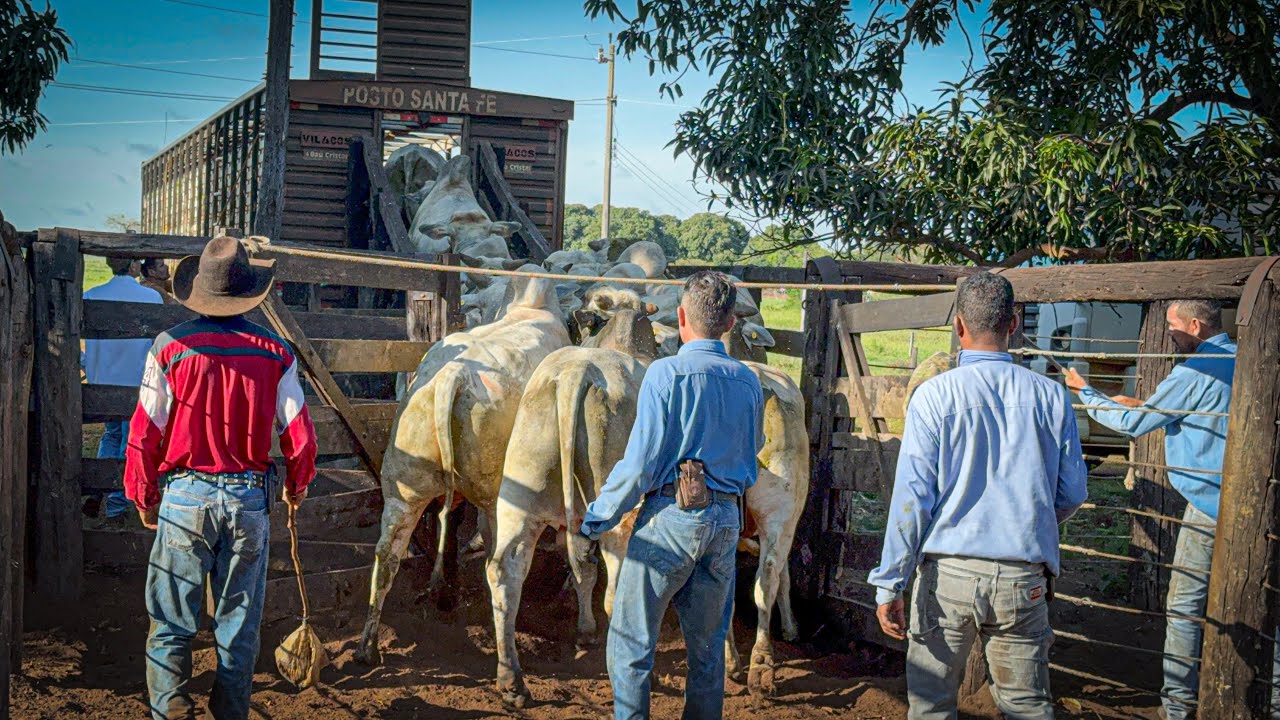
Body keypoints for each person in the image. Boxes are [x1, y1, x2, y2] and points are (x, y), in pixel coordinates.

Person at [869, 272, 1089, 720]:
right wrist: (1028, 522)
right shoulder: (1051, 397)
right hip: (1023, 579)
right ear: (1013, 324)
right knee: (1028, 707)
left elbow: (913, 500)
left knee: (931, 706)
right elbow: (1073, 492)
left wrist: (890, 581)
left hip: (948, 579)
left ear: (958, 326)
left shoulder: (933, 397)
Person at [124, 236, 318, 720]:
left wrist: (143, 495)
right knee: (238, 624)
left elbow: (145, 430)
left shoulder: (170, 347)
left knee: (171, 620)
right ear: (249, 292)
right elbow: (298, 432)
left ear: (198, 291)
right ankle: (231, 711)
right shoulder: (276, 352)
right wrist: (297, 484)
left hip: (185, 496)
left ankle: (172, 710)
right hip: (248, 499)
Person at [1063, 300, 1268, 719]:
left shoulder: (1195, 370)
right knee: (1265, 599)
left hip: (1210, 503)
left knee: (1186, 603)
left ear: (1194, 325)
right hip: (1257, 502)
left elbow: (1132, 426)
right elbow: (1207, 414)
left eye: (1172, 326)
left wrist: (1086, 392)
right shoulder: (1245, 358)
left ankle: (1178, 705)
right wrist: (1144, 404)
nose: (1169, 335)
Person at [579, 270, 763, 720]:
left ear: (681, 317)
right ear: (731, 323)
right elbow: (754, 446)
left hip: (672, 517)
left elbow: (640, 464)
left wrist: (598, 517)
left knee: (631, 643)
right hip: (725, 520)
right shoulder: (748, 380)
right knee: (708, 651)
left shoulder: (665, 373)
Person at [83, 256, 163, 520]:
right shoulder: (151, 298)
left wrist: (85, 362)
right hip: (135, 381)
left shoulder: (92, 294)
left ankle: (99, 488)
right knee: (129, 441)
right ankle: (116, 504)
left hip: (102, 379)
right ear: (132, 266)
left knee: (111, 434)